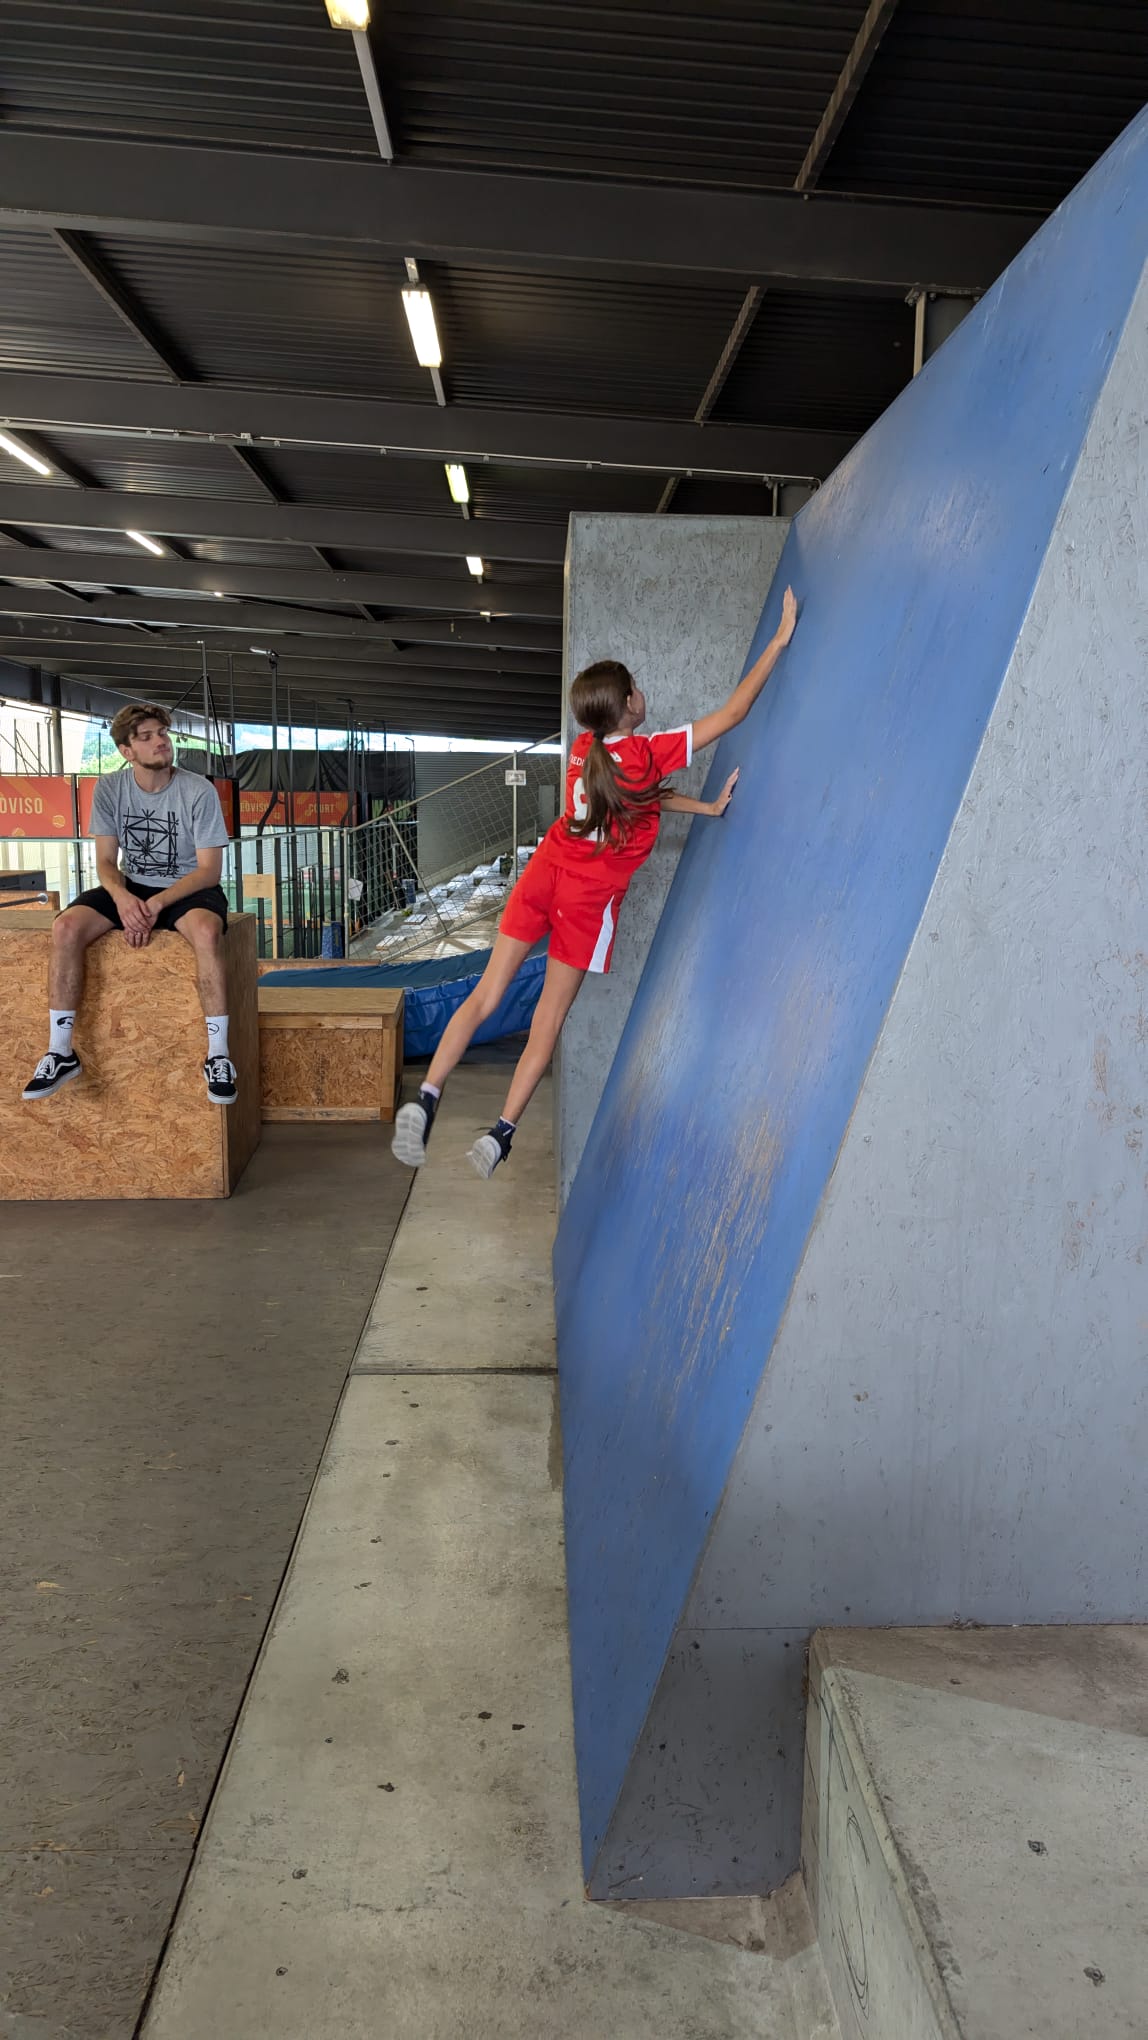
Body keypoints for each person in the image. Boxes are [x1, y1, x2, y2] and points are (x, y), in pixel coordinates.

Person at [391, 585, 799, 1179]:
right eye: (635, 686)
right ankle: (500, 1135)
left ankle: (427, 1094)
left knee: (485, 996)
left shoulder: (588, 751)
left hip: (545, 873)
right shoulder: (651, 751)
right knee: (547, 1022)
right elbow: (734, 711)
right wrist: (781, 639)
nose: (641, 690)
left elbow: (640, 799)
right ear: (630, 703)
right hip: (586, 900)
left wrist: (706, 808)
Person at [21, 701, 239, 1106]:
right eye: (147, 737)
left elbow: (209, 871)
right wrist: (122, 898)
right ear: (127, 751)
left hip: (188, 888)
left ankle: (219, 1056)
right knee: (65, 927)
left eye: (163, 734)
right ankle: (60, 1051)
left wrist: (154, 906)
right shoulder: (109, 788)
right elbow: (105, 861)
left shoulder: (198, 789)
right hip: (131, 884)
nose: (161, 742)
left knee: (208, 932)